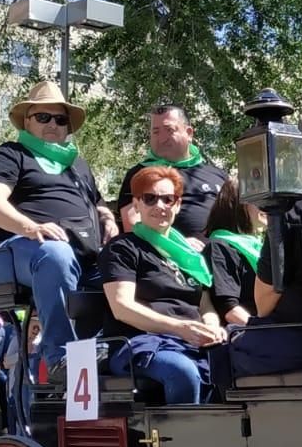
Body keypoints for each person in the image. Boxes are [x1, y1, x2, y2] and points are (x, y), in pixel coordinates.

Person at [0, 79, 117, 366]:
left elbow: (98, 202)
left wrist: (108, 217)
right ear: (26, 121)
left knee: (126, 269)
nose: (52, 123)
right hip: (18, 249)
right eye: (43, 117)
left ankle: (115, 351)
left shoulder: (77, 165)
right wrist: (31, 227)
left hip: (81, 254)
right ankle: (60, 356)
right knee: (55, 253)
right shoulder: (10, 155)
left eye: (60, 119)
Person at [100, 165, 228, 403]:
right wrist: (180, 328)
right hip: (140, 342)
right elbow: (122, 307)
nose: (160, 206)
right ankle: (185, 439)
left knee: (240, 363)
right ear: (136, 204)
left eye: (168, 199)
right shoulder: (123, 248)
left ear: (177, 205)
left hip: (190, 339)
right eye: (150, 199)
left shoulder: (188, 255)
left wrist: (212, 325)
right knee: (182, 371)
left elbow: (204, 303)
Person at [117, 105, 225, 238]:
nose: (162, 139)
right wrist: (180, 247)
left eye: (169, 130)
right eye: (156, 132)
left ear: (189, 133)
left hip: (220, 253)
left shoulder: (218, 175)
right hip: (163, 255)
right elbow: (133, 228)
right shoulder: (139, 175)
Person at [202, 179, 266, 325]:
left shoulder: (259, 246)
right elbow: (229, 310)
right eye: (259, 200)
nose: (266, 207)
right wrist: (266, 330)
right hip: (247, 333)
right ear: (238, 205)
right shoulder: (219, 247)